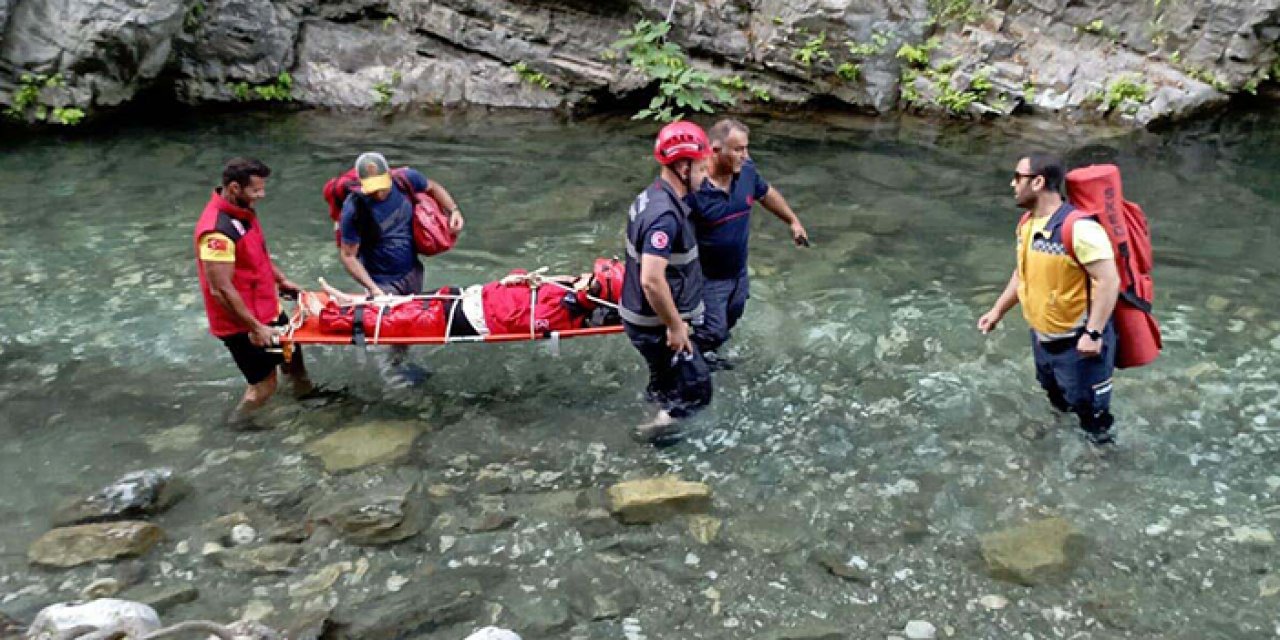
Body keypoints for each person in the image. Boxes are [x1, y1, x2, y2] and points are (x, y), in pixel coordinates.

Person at [977, 153, 1122, 445]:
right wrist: (997, 311)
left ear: (1038, 181)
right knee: (1057, 400)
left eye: (1018, 177)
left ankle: (1105, 467)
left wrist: (1093, 334)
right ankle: (1063, 443)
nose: (1012, 184)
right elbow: (1022, 274)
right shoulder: (1027, 224)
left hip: (1080, 345)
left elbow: (1108, 280)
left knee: (1093, 418)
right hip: (1043, 340)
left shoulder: (1079, 229)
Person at [195, 157, 315, 424]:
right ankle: (237, 427)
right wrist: (255, 328)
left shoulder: (242, 212)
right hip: (243, 323)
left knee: (294, 361)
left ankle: (307, 399)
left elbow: (256, 254)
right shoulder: (217, 234)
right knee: (263, 386)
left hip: (267, 308)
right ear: (235, 188)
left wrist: (280, 280)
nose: (262, 195)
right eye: (256, 190)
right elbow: (220, 289)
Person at [688, 118, 809, 369]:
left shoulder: (746, 172)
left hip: (738, 272)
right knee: (713, 331)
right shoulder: (695, 190)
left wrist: (793, 221)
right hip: (706, 278)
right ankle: (687, 364)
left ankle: (706, 358)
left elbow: (765, 194)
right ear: (715, 150)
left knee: (730, 320)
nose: (745, 155)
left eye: (746, 148)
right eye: (738, 149)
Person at [621, 122, 715, 442]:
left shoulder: (655, 196)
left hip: (643, 317)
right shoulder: (664, 215)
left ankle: (656, 405)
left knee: (664, 379)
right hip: (654, 323)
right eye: (701, 168)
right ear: (681, 166)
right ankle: (656, 441)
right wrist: (675, 326)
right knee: (695, 391)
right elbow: (651, 279)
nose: (705, 176)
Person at [337, 152, 465, 382]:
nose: (378, 192)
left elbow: (433, 187)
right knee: (390, 329)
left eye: (382, 186)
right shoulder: (354, 208)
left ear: (389, 175)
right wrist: (373, 288)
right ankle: (391, 377)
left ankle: (402, 364)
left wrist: (453, 210)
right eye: (372, 188)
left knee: (407, 325)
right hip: (381, 279)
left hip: (411, 270)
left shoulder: (405, 179)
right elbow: (348, 255)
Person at [313, 258, 624, 338]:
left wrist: (531, 289)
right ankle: (349, 302)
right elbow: (514, 286)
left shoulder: (562, 314)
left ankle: (327, 317)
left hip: (456, 318)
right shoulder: (562, 290)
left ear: (592, 289)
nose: (583, 273)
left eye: (588, 275)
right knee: (396, 303)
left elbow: (516, 322)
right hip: (460, 298)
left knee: (389, 319)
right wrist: (534, 281)